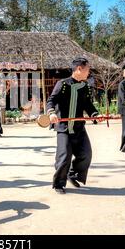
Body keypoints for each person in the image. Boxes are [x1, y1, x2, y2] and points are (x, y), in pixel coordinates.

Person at [47, 58, 104, 194]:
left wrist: (95, 115)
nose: (88, 72)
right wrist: (51, 113)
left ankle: (72, 174)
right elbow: (51, 100)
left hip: (79, 127)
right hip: (64, 127)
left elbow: (88, 105)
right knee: (64, 156)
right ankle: (58, 184)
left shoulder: (85, 87)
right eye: (87, 69)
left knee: (86, 154)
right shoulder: (63, 84)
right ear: (79, 69)